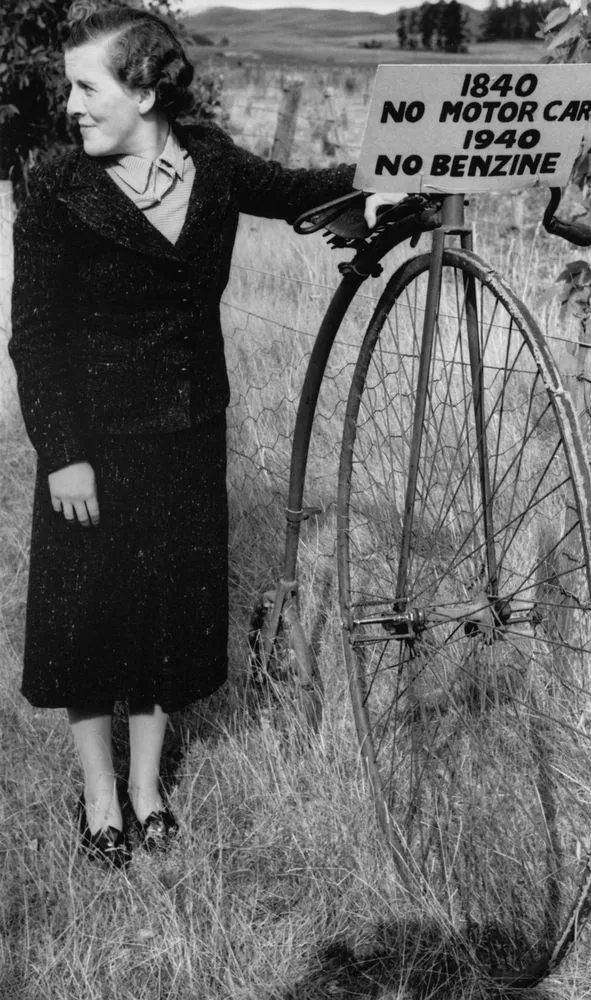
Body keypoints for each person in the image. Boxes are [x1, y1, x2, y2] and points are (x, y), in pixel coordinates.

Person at [9, 0, 393, 866]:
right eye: (70, 86)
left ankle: (146, 787)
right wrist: (62, 453)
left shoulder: (212, 165)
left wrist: (380, 182)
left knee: (165, 611)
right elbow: (34, 337)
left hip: (188, 429)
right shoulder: (56, 191)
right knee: (91, 618)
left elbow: (300, 191)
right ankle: (100, 797)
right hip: (91, 445)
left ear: (145, 92)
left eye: (86, 85)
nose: (70, 104)